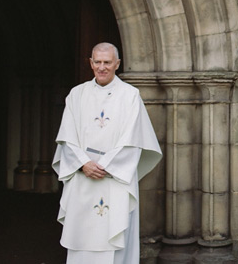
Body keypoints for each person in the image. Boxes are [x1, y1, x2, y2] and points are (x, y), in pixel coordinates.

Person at [52, 42, 162, 264]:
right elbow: (67, 136)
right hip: (83, 178)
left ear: (117, 64)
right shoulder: (77, 94)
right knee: (81, 238)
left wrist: (106, 165)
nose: (102, 67)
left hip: (114, 180)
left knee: (114, 239)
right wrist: (84, 164)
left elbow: (133, 138)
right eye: (98, 62)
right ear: (91, 63)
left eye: (107, 62)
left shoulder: (130, 96)